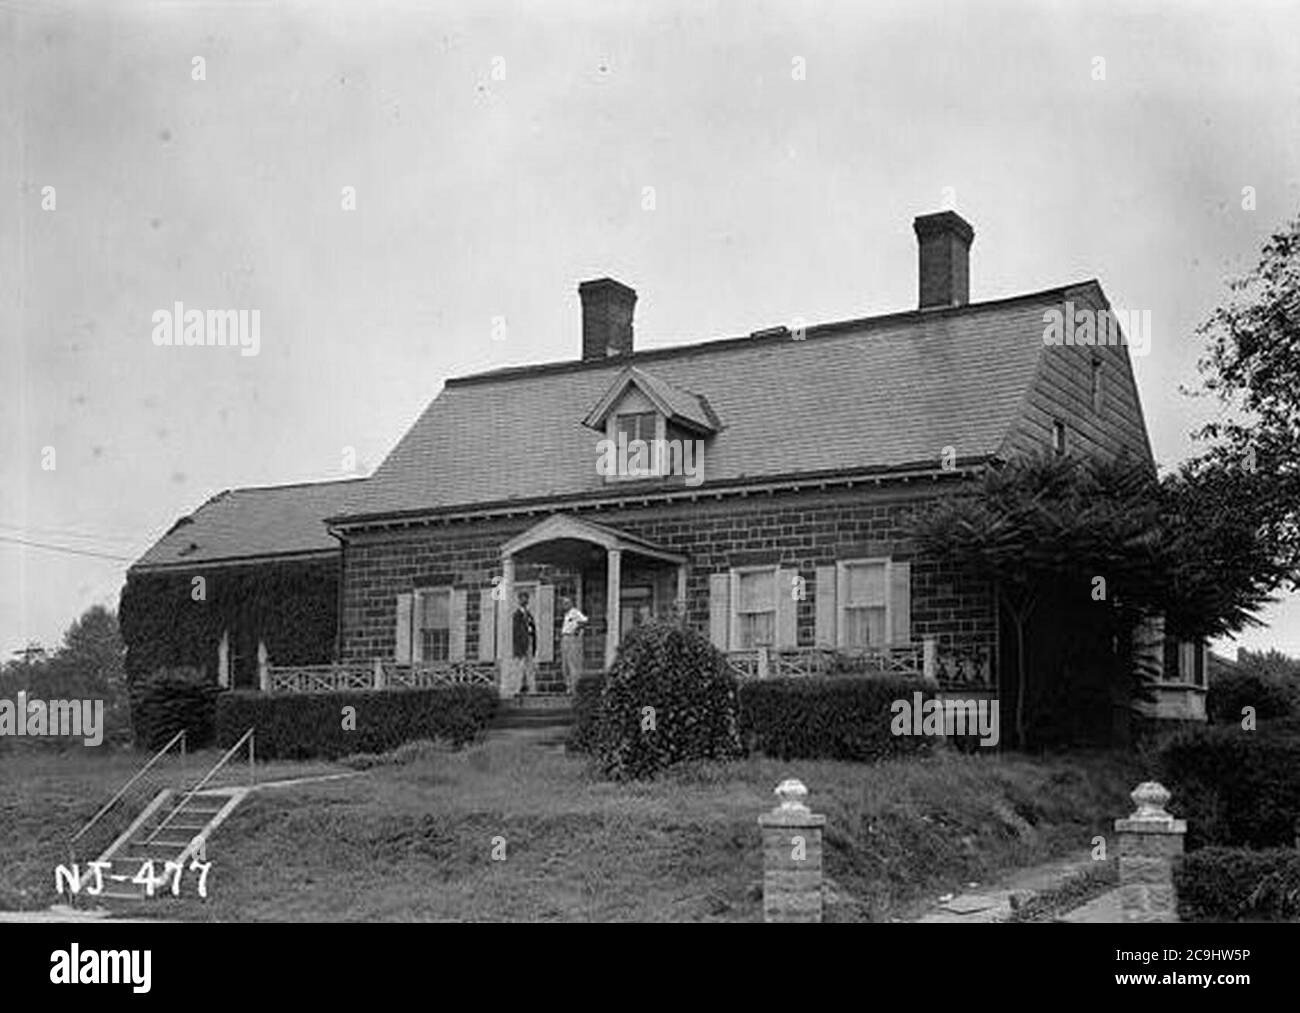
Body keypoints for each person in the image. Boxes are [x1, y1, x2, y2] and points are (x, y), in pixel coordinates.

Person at [559, 596, 588, 694]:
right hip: (565, 637)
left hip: (571, 638)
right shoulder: (566, 614)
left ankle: (574, 687)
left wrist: (576, 630)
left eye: (567, 603)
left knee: (572, 663)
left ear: (571, 603)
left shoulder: (575, 612)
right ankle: (568, 686)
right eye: (563, 604)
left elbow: (584, 621)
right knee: (565, 664)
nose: (564, 605)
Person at [512, 590, 537, 695]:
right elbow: (515, 631)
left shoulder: (529, 614)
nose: (525, 600)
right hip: (521, 644)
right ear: (519, 600)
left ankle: (532, 690)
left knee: (530, 667)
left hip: (529, 641)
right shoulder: (517, 615)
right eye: (522, 598)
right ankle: (516, 689)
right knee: (520, 667)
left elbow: (532, 629)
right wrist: (517, 646)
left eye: (526, 598)